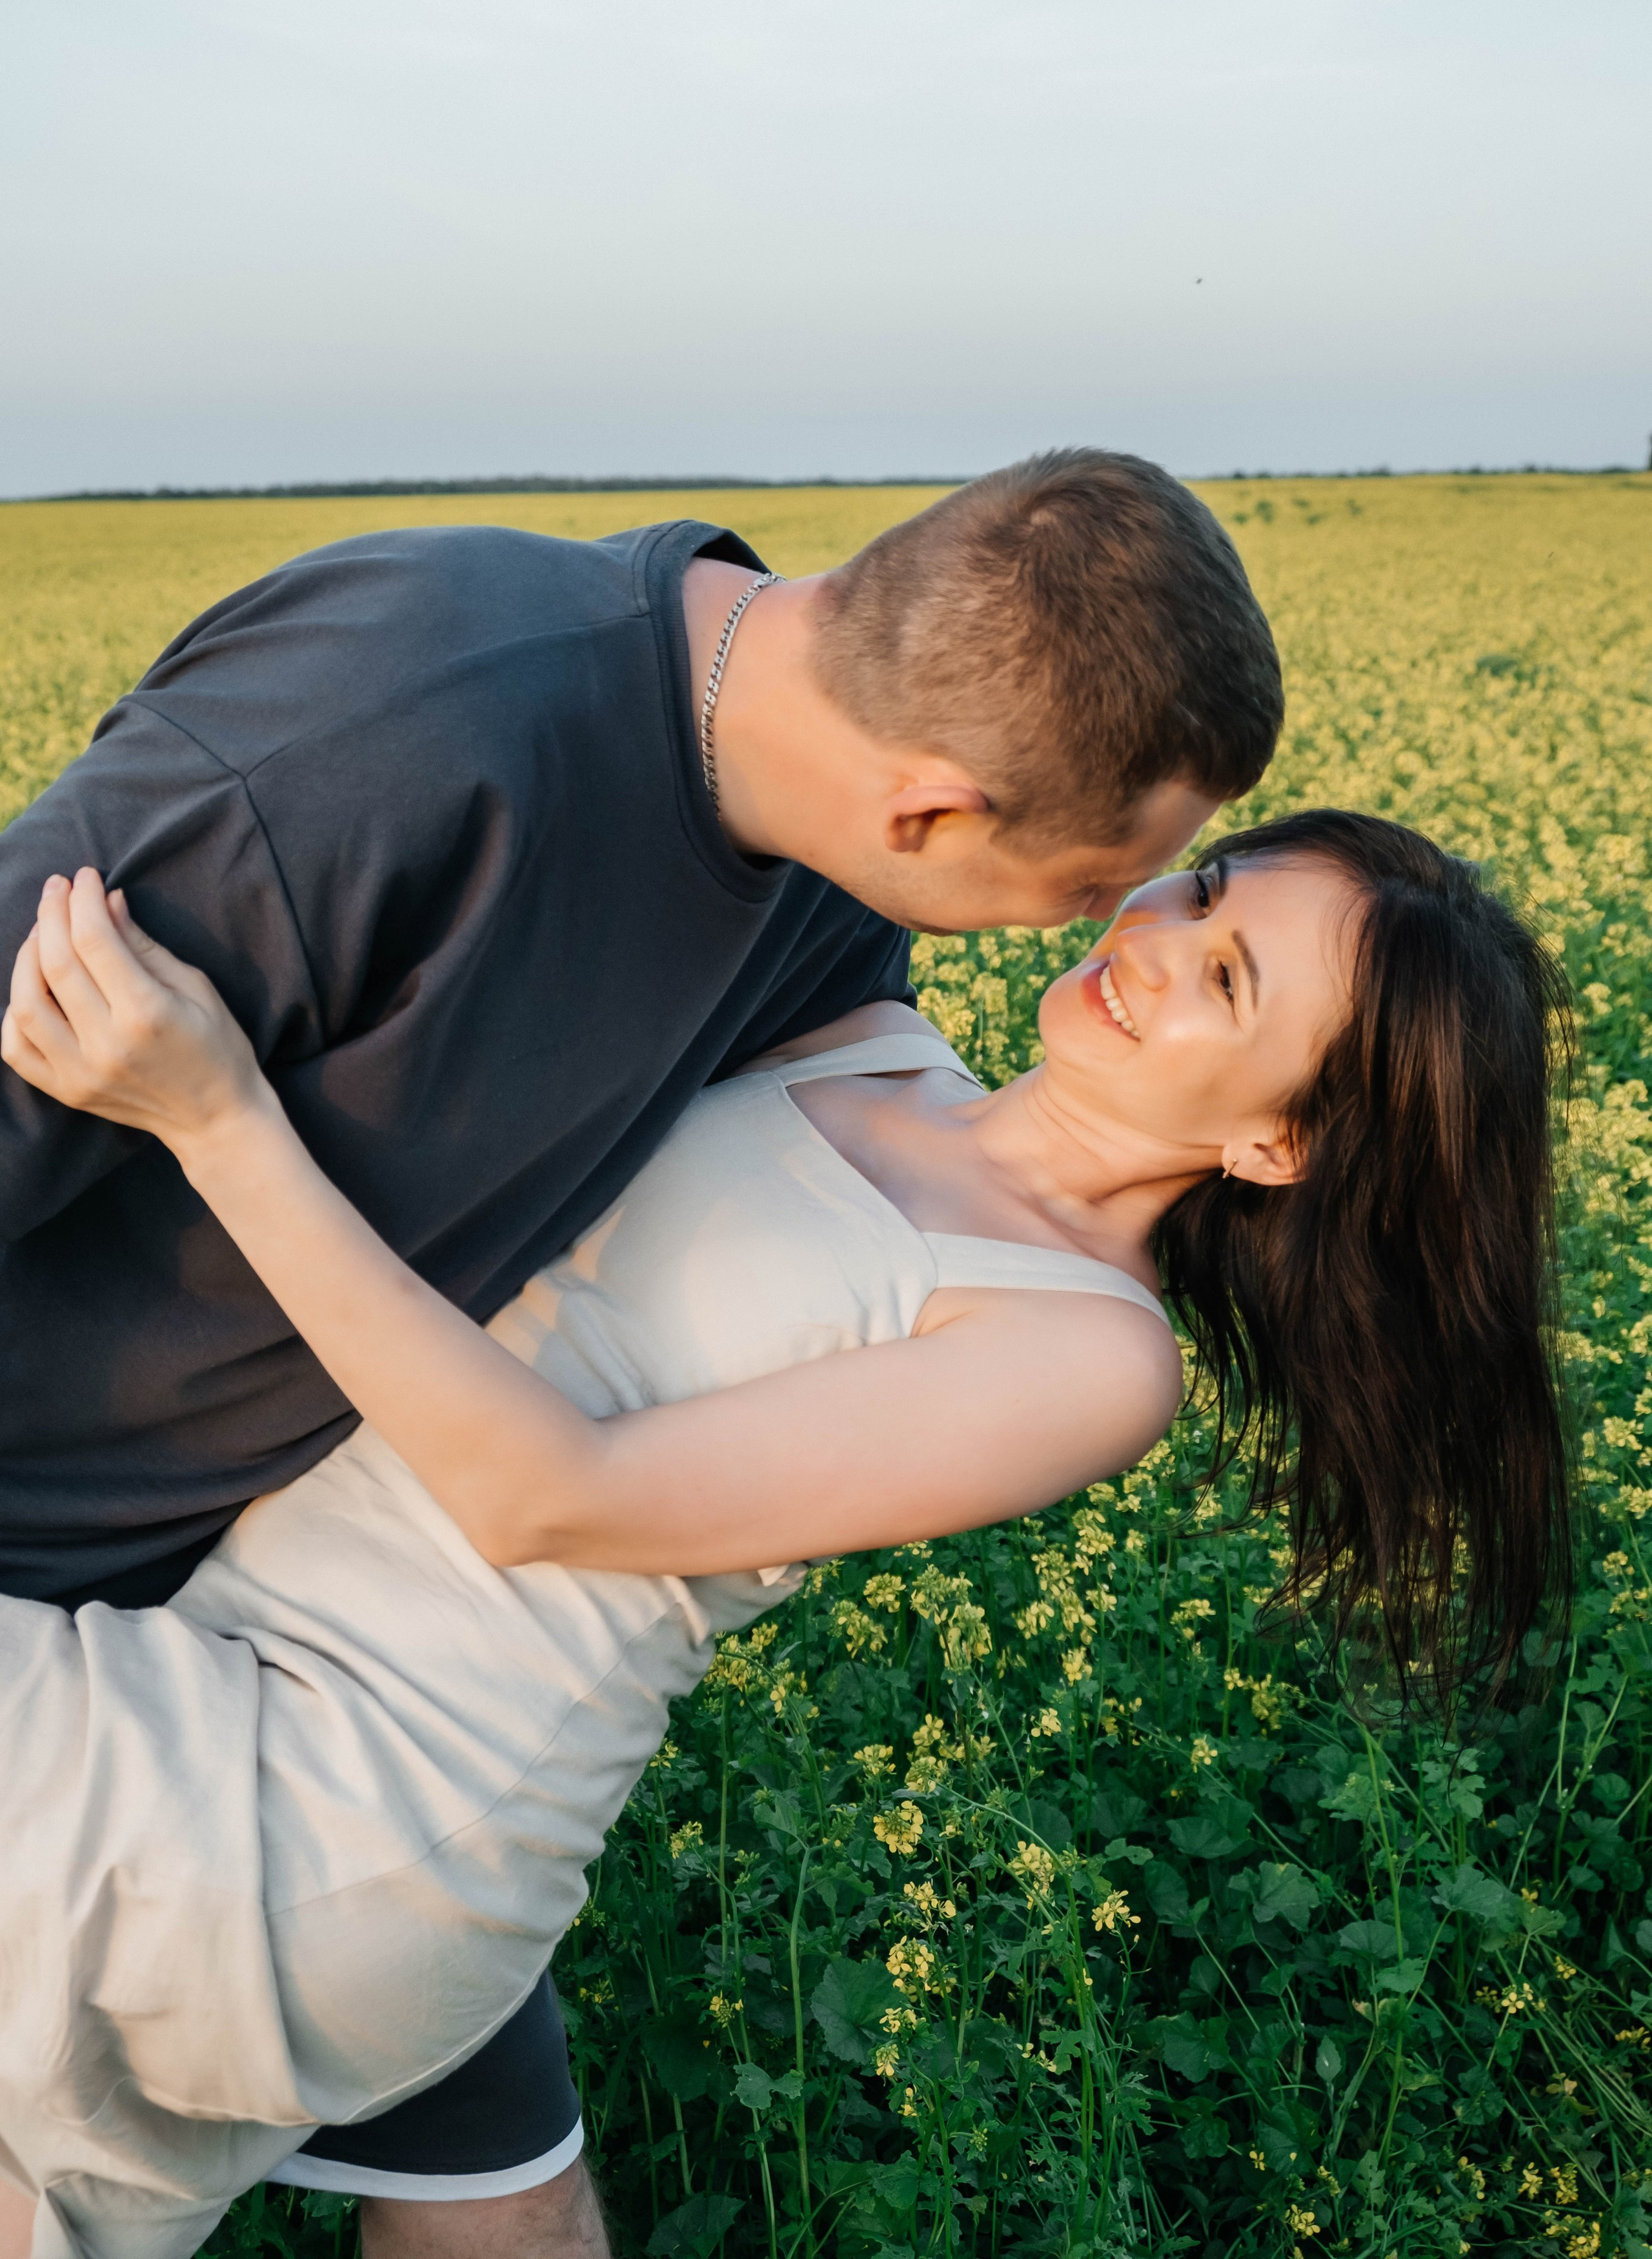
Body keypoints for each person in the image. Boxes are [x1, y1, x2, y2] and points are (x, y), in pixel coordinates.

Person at [0, 451, 1282, 2254]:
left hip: (359, 1754)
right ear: (925, 806)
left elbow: (573, 1471)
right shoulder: (390, 742)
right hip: (200, 1659)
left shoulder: (829, 916)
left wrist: (221, 1122)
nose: (1113, 934)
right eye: (1125, 886)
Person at [0, 810, 1569, 2259]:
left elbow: (552, 1496)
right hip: (218, 1670)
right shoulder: (868, 1037)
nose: (1154, 941)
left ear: (1275, 1146)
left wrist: (215, 1117)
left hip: (352, 1801)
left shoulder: (1085, 1351)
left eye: (1224, 978)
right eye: (1205, 884)